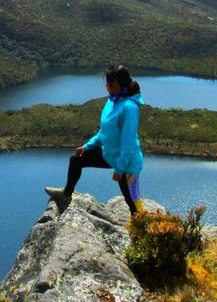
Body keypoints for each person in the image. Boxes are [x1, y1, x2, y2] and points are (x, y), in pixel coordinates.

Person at [46, 64, 144, 214]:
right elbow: (104, 132)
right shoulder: (112, 101)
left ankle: (141, 229)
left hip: (127, 161)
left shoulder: (129, 107)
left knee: (132, 202)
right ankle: (66, 195)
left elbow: (128, 143)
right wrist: (87, 146)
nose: (106, 87)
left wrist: (120, 169)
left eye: (109, 84)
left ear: (117, 84)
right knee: (76, 160)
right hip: (109, 154)